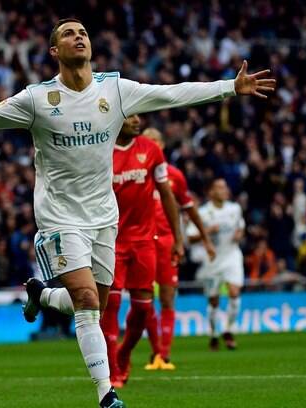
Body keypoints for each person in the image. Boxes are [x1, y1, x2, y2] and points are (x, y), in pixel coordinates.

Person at [0, 18, 274, 407]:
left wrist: (229, 88)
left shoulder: (116, 90)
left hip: (104, 217)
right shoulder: (37, 99)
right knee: (87, 300)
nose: (79, 37)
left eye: (83, 32)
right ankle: (107, 394)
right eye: (69, 34)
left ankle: (44, 295)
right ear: (55, 51)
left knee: (92, 302)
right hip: (58, 217)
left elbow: (172, 94)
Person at [99, 114, 183, 387]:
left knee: (143, 308)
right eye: (130, 116)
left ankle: (124, 353)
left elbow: (166, 194)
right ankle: (112, 370)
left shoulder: (151, 150)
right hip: (110, 240)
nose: (137, 120)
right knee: (110, 305)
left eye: (138, 115)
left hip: (145, 241)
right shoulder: (101, 150)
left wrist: (178, 238)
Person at [141, 127, 215, 370]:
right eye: (146, 141)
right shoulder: (134, 173)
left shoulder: (174, 176)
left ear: (161, 146)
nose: (150, 145)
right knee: (144, 299)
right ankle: (154, 352)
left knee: (167, 297)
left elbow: (189, 208)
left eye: (154, 141)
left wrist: (204, 238)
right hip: (140, 242)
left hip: (166, 243)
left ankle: (165, 354)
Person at [187, 178, 245, 351]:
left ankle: (228, 330)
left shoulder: (235, 208)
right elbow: (190, 237)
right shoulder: (203, 213)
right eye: (219, 187)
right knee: (214, 301)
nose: (224, 190)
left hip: (232, 254)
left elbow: (240, 226)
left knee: (234, 292)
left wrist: (238, 235)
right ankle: (213, 334)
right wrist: (207, 232)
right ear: (211, 192)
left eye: (225, 186)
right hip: (212, 259)